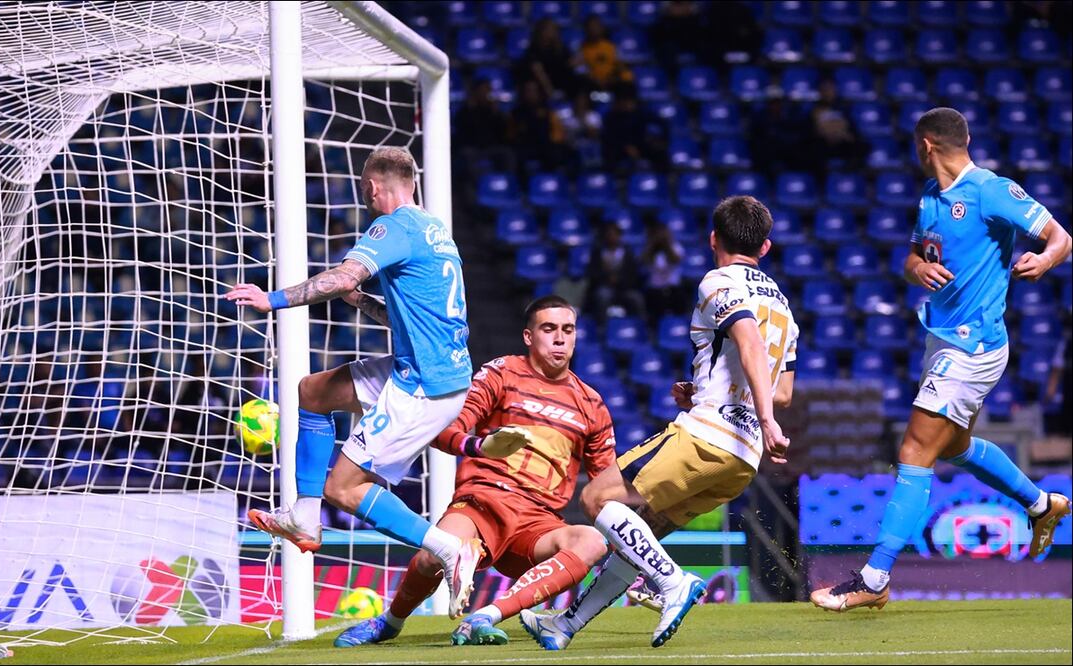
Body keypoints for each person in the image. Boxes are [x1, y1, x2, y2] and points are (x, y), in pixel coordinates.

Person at [810, 107, 1073, 612]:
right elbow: (912, 259)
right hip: (941, 341)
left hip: (974, 346)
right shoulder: (930, 199)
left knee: (914, 448)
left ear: (925, 144)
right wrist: (917, 269)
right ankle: (1042, 505)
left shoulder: (991, 190)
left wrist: (1045, 258)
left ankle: (875, 575)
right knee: (952, 444)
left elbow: (1061, 237)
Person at [225, 147, 504, 618]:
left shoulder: (392, 227)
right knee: (313, 391)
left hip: (424, 387)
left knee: (345, 488)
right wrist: (362, 303)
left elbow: (341, 276)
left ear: (373, 186)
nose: (366, 198)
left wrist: (270, 299)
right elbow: (410, 315)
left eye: (365, 190)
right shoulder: (434, 231)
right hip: (426, 367)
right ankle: (304, 520)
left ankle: (450, 548)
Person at [522, 195, 798, 649]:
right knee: (637, 532)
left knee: (597, 497)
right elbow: (782, 389)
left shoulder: (719, 280)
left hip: (709, 436)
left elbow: (747, 341)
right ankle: (564, 625)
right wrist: (715, 393)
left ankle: (672, 582)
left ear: (713, 239)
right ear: (765, 248)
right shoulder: (785, 308)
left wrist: (767, 420)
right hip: (742, 461)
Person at [330, 295, 617, 648]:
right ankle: (390, 622)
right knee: (432, 555)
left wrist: (634, 526)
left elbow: (606, 488)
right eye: (549, 329)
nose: (560, 338)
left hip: (538, 521)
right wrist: (479, 445)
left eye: (567, 330)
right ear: (529, 336)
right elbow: (445, 429)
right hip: (482, 503)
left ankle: (484, 617)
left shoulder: (591, 403)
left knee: (591, 540)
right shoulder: (501, 373)